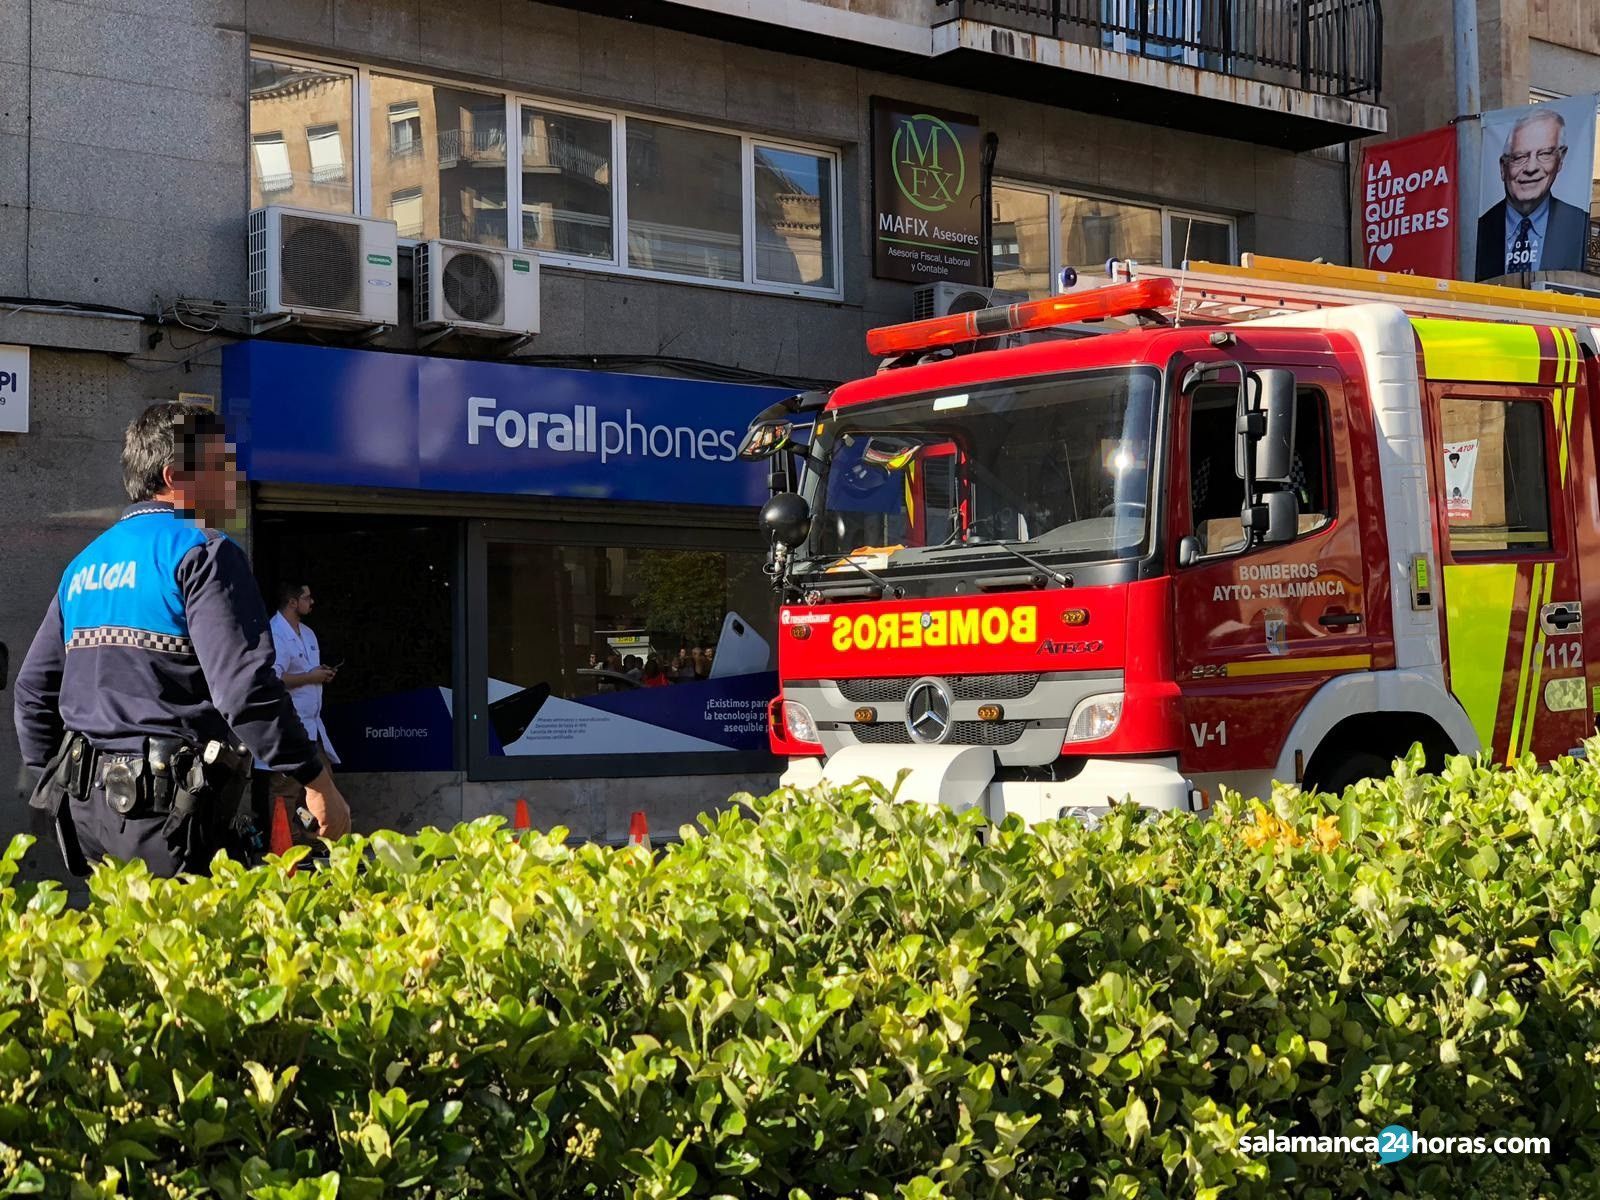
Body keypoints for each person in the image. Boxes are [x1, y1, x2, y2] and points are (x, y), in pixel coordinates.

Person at [12, 402, 350, 878]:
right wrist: (314, 779)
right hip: (172, 815)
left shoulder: (84, 565)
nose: (235, 480)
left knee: (122, 944)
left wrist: (56, 783)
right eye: (223, 466)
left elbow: (33, 690)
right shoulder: (205, 553)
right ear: (175, 476)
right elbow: (246, 690)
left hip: (88, 813)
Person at [1476, 108, 1590, 280]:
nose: (1531, 168)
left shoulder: (1581, 226)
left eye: (1544, 154)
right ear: (1502, 167)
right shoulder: (1478, 231)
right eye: (1519, 157)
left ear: (1560, 160)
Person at [266, 582, 341, 818]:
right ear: (292, 602)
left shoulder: (308, 633)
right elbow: (274, 678)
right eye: (307, 597)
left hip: (312, 725)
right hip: (289, 724)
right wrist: (311, 676)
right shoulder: (275, 632)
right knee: (286, 789)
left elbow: (305, 670)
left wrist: (320, 673)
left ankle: (318, 842)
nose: (312, 602)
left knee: (323, 786)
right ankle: (284, 846)